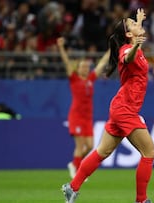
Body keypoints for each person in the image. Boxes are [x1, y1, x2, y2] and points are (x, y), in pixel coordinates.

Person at [61, 8, 154, 203]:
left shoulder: (132, 42)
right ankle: (141, 200)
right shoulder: (127, 49)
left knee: (102, 151)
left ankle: (72, 187)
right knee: (149, 152)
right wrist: (136, 46)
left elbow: (133, 39)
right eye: (133, 25)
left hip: (121, 107)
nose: (137, 26)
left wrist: (138, 21)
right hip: (125, 109)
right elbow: (127, 57)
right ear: (129, 35)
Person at [56, 37, 110, 179]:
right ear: (78, 69)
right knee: (80, 147)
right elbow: (66, 62)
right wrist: (61, 47)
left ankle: (75, 164)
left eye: (87, 67)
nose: (85, 69)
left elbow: (102, 63)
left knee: (90, 146)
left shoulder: (91, 79)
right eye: (82, 67)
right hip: (76, 116)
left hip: (87, 118)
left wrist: (112, 49)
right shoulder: (74, 79)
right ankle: (76, 169)